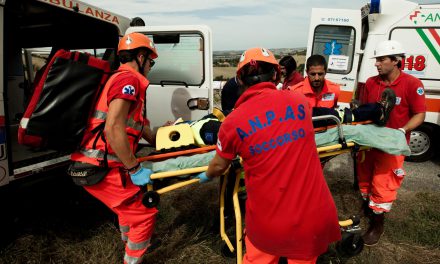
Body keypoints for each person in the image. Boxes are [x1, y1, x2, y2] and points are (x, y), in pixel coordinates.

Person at [195, 47, 341, 263]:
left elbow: (218, 166)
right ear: (276, 74)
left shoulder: (233, 123)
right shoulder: (300, 102)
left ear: (240, 80)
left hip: (268, 219)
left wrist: (207, 175)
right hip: (311, 214)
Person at [71, 32, 159, 264]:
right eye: (151, 61)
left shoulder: (121, 79)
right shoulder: (127, 81)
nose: (151, 66)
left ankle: (128, 241)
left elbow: (142, 130)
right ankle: (132, 258)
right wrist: (134, 168)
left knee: (128, 208)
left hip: (105, 162)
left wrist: (165, 138)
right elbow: (113, 128)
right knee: (144, 215)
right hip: (101, 165)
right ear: (141, 57)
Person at [356, 40, 426, 246]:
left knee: (383, 186)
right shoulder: (370, 83)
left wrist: (402, 131)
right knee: (365, 180)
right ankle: (369, 208)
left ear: (396, 61)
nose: (377, 64)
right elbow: (363, 109)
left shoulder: (412, 84)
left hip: (392, 146)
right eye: (376, 59)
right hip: (369, 143)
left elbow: (420, 115)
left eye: (381, 59)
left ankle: (377, 224)